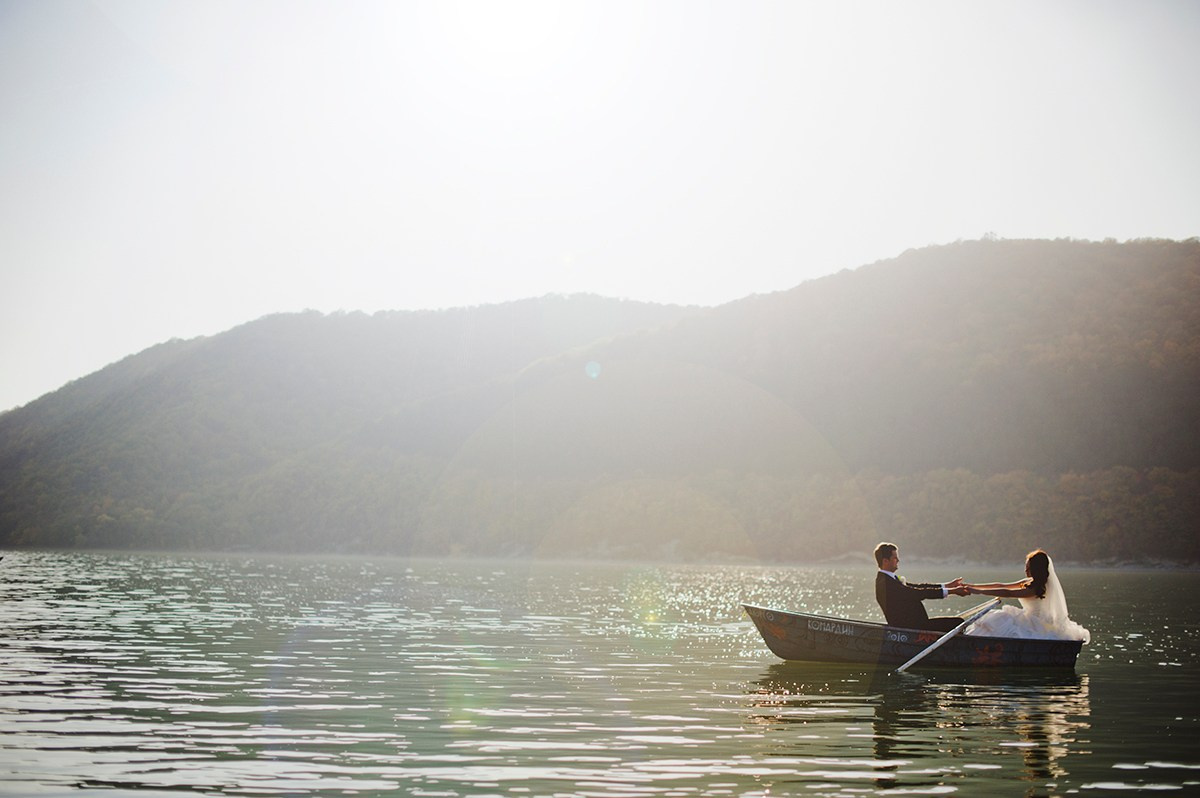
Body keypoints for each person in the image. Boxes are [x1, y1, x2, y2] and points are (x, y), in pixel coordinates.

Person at [962, 549, 1090, 642]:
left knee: (1000, 618)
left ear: (1036, 569)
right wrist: (973, 586)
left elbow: (1008, 593)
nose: (1025, 570)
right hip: (1027, 619)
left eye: (1028, 568)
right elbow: (1003, 585)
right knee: (1000, 618)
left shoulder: (1037, 588)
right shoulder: (1029, 582)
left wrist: (977, 591)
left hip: (1035, 624)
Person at [874, 542, 969, 632]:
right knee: (958, 623)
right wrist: (952, 591)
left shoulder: (890, 579)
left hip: (918, 625)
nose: (898, 560)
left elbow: (919, 587)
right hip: (910, 629)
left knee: (957, 622)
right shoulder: (886, 583)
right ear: (885, 561)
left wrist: (947, 585)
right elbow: (918, 593)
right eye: (895, 558)